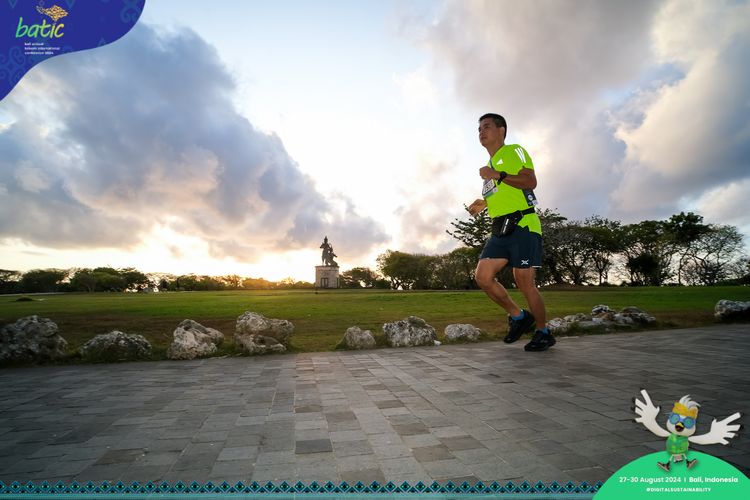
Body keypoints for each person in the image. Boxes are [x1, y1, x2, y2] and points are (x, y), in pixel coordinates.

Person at [467, 113, 554, 351]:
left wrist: (499, 175)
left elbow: (530, 181)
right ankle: (519, 317)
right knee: (483, 277)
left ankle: (543, 332)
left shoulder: (514, 151)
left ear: (501, 130)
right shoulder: (490, 166)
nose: (481, 132)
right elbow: (501, 194)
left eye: (486, 127)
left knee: (524, 282)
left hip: (523, 224)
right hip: (500, 230)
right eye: (479, 129)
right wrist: (483, 203)